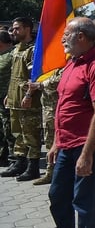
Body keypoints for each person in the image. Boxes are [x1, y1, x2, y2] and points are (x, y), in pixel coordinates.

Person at [47, 17, 95, 228]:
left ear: (81, 37)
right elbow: (62, 106)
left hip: (88, 144)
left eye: (66, 35)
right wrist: (55, 142)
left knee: (84, 201)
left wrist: (87, 155)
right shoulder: (72, 63)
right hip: (66, 144)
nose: (62, 40)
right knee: (58, 197)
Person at [1, 17, 41, 181]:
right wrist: (8, 95)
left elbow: (34, 77)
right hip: (14, 99)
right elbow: (13, 76)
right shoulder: (17, 49)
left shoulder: (33, 50)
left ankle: (33, 168)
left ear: (27, 29)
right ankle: (19, 163)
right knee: (17, 133)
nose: (14, 31)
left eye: (17, 28)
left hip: (27, 100)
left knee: (30, 134)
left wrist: (28, 95)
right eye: (14, 28)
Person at [0, 30, 15, 167]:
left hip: (7, 99)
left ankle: (13, 158)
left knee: (8, 129)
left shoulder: (11, 56)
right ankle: (3, 156)